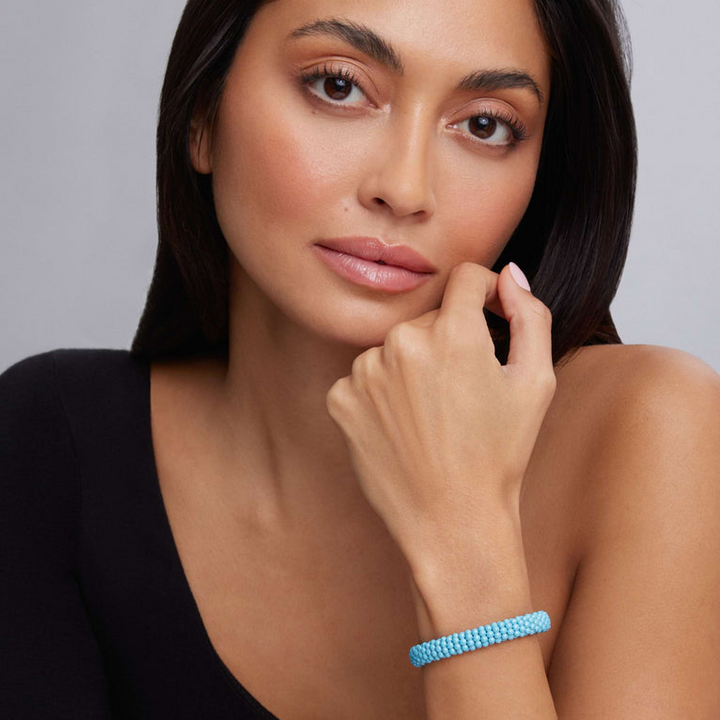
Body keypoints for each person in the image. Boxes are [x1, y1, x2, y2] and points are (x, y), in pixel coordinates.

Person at [1, 0, 718, 717]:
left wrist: (462, 534)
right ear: (202, 115)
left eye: (484, 124)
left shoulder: (651, 433)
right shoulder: (52, 443)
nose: (404, 189)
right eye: (338, 86)